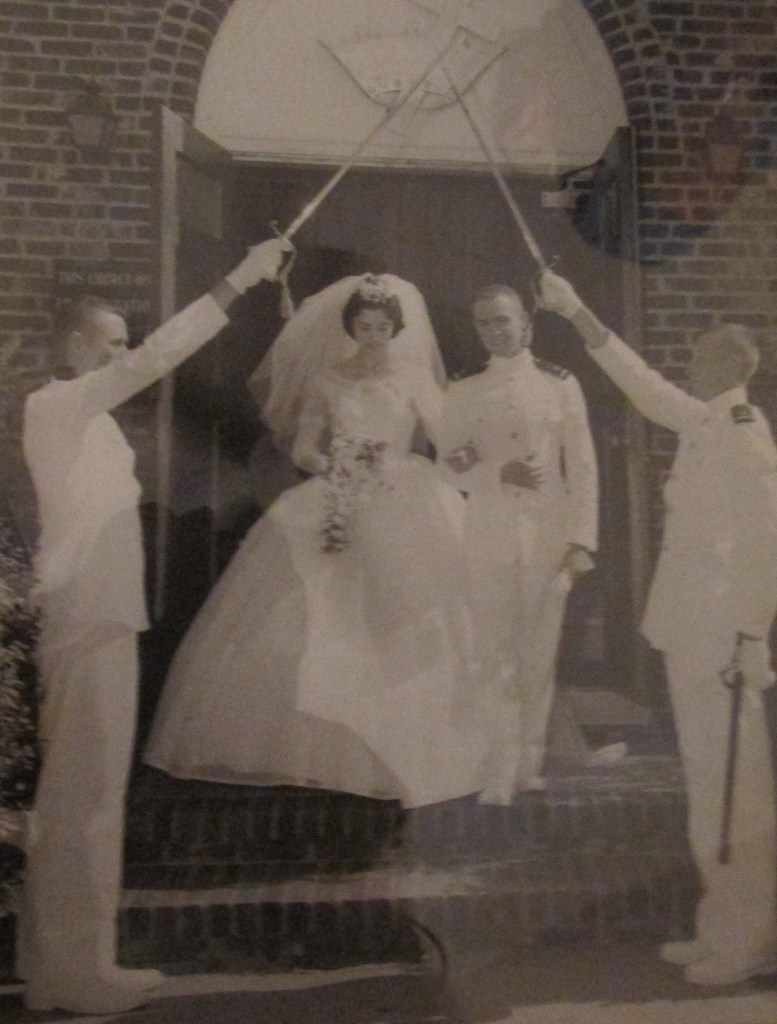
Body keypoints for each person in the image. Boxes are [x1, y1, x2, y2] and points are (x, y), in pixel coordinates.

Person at [16, 237, 289, 1014]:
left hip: (103, 615)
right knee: (87, 798)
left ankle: (54, 966)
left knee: (81, 795)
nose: (123, 355)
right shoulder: (55, 403)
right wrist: (239, 280)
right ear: (73, 347)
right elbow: (152, 360)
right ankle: (81, 972)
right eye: (107, 344)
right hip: (86, 618)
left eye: (121, 344)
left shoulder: (88, 422)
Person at [145, 274, 486, 808]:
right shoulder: (330, 378)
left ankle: (416, 745)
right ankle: (314, 749)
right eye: (363, 326)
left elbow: (447, 442)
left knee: (411, 610)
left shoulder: (416, 377)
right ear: (350, 328)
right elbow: (304, 447)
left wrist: (467, 458)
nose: (372, 336)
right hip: (339, 489)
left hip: (402, 490)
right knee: (310, 610)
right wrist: (333, 463)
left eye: (381, 328)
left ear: (396, 330)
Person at [539, 268, 777, 986]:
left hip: (724, 640)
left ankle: (748, 941)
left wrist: (749, 636)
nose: (688, 365)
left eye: (699, 356)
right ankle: (720, 928)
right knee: (708, 783)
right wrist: (575, 309)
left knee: (736, 788)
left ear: (729, 366)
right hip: (692, 629)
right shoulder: (706, 421)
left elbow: (767, 540)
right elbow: (639, 384)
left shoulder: (740, 433)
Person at [436, 284, 599, 802]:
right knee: (491, 653)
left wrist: (581, 542)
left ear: (526, 323)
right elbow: (449, 463)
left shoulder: (559, 385)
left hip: (547, 539)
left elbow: (585, 468)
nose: (494, 330)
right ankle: (497, 768)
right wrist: (494, 471)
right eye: (484, 323)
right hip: (487, 536)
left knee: (538, 655)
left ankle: (529, 762)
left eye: (503, 320)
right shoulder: (463, 389)